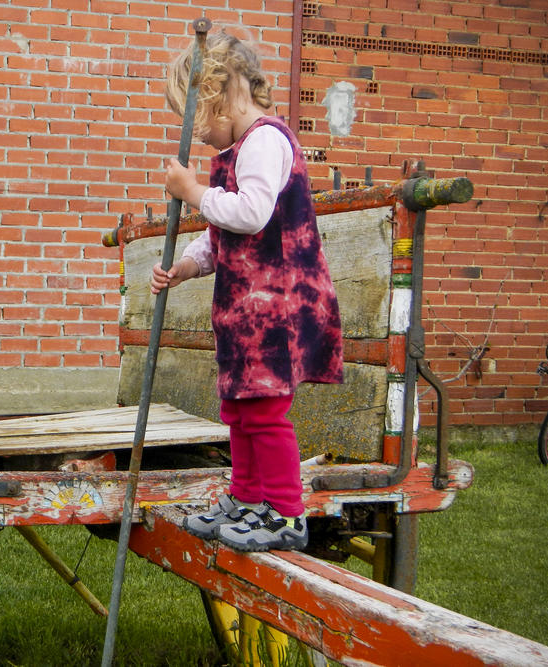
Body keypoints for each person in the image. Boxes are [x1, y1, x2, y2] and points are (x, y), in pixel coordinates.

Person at [152, 31, 344, 552]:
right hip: (246, 311)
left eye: (197, 118)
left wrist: (193, 192)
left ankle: (284, 513)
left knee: (264, 410)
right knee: (239, 408)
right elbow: (224, 233)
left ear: (219, 93)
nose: (198, 134)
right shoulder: (242, 148)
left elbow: (252, 212)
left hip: (278, 307)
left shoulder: (265, 140)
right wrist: (189, 265)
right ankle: (248, 498)